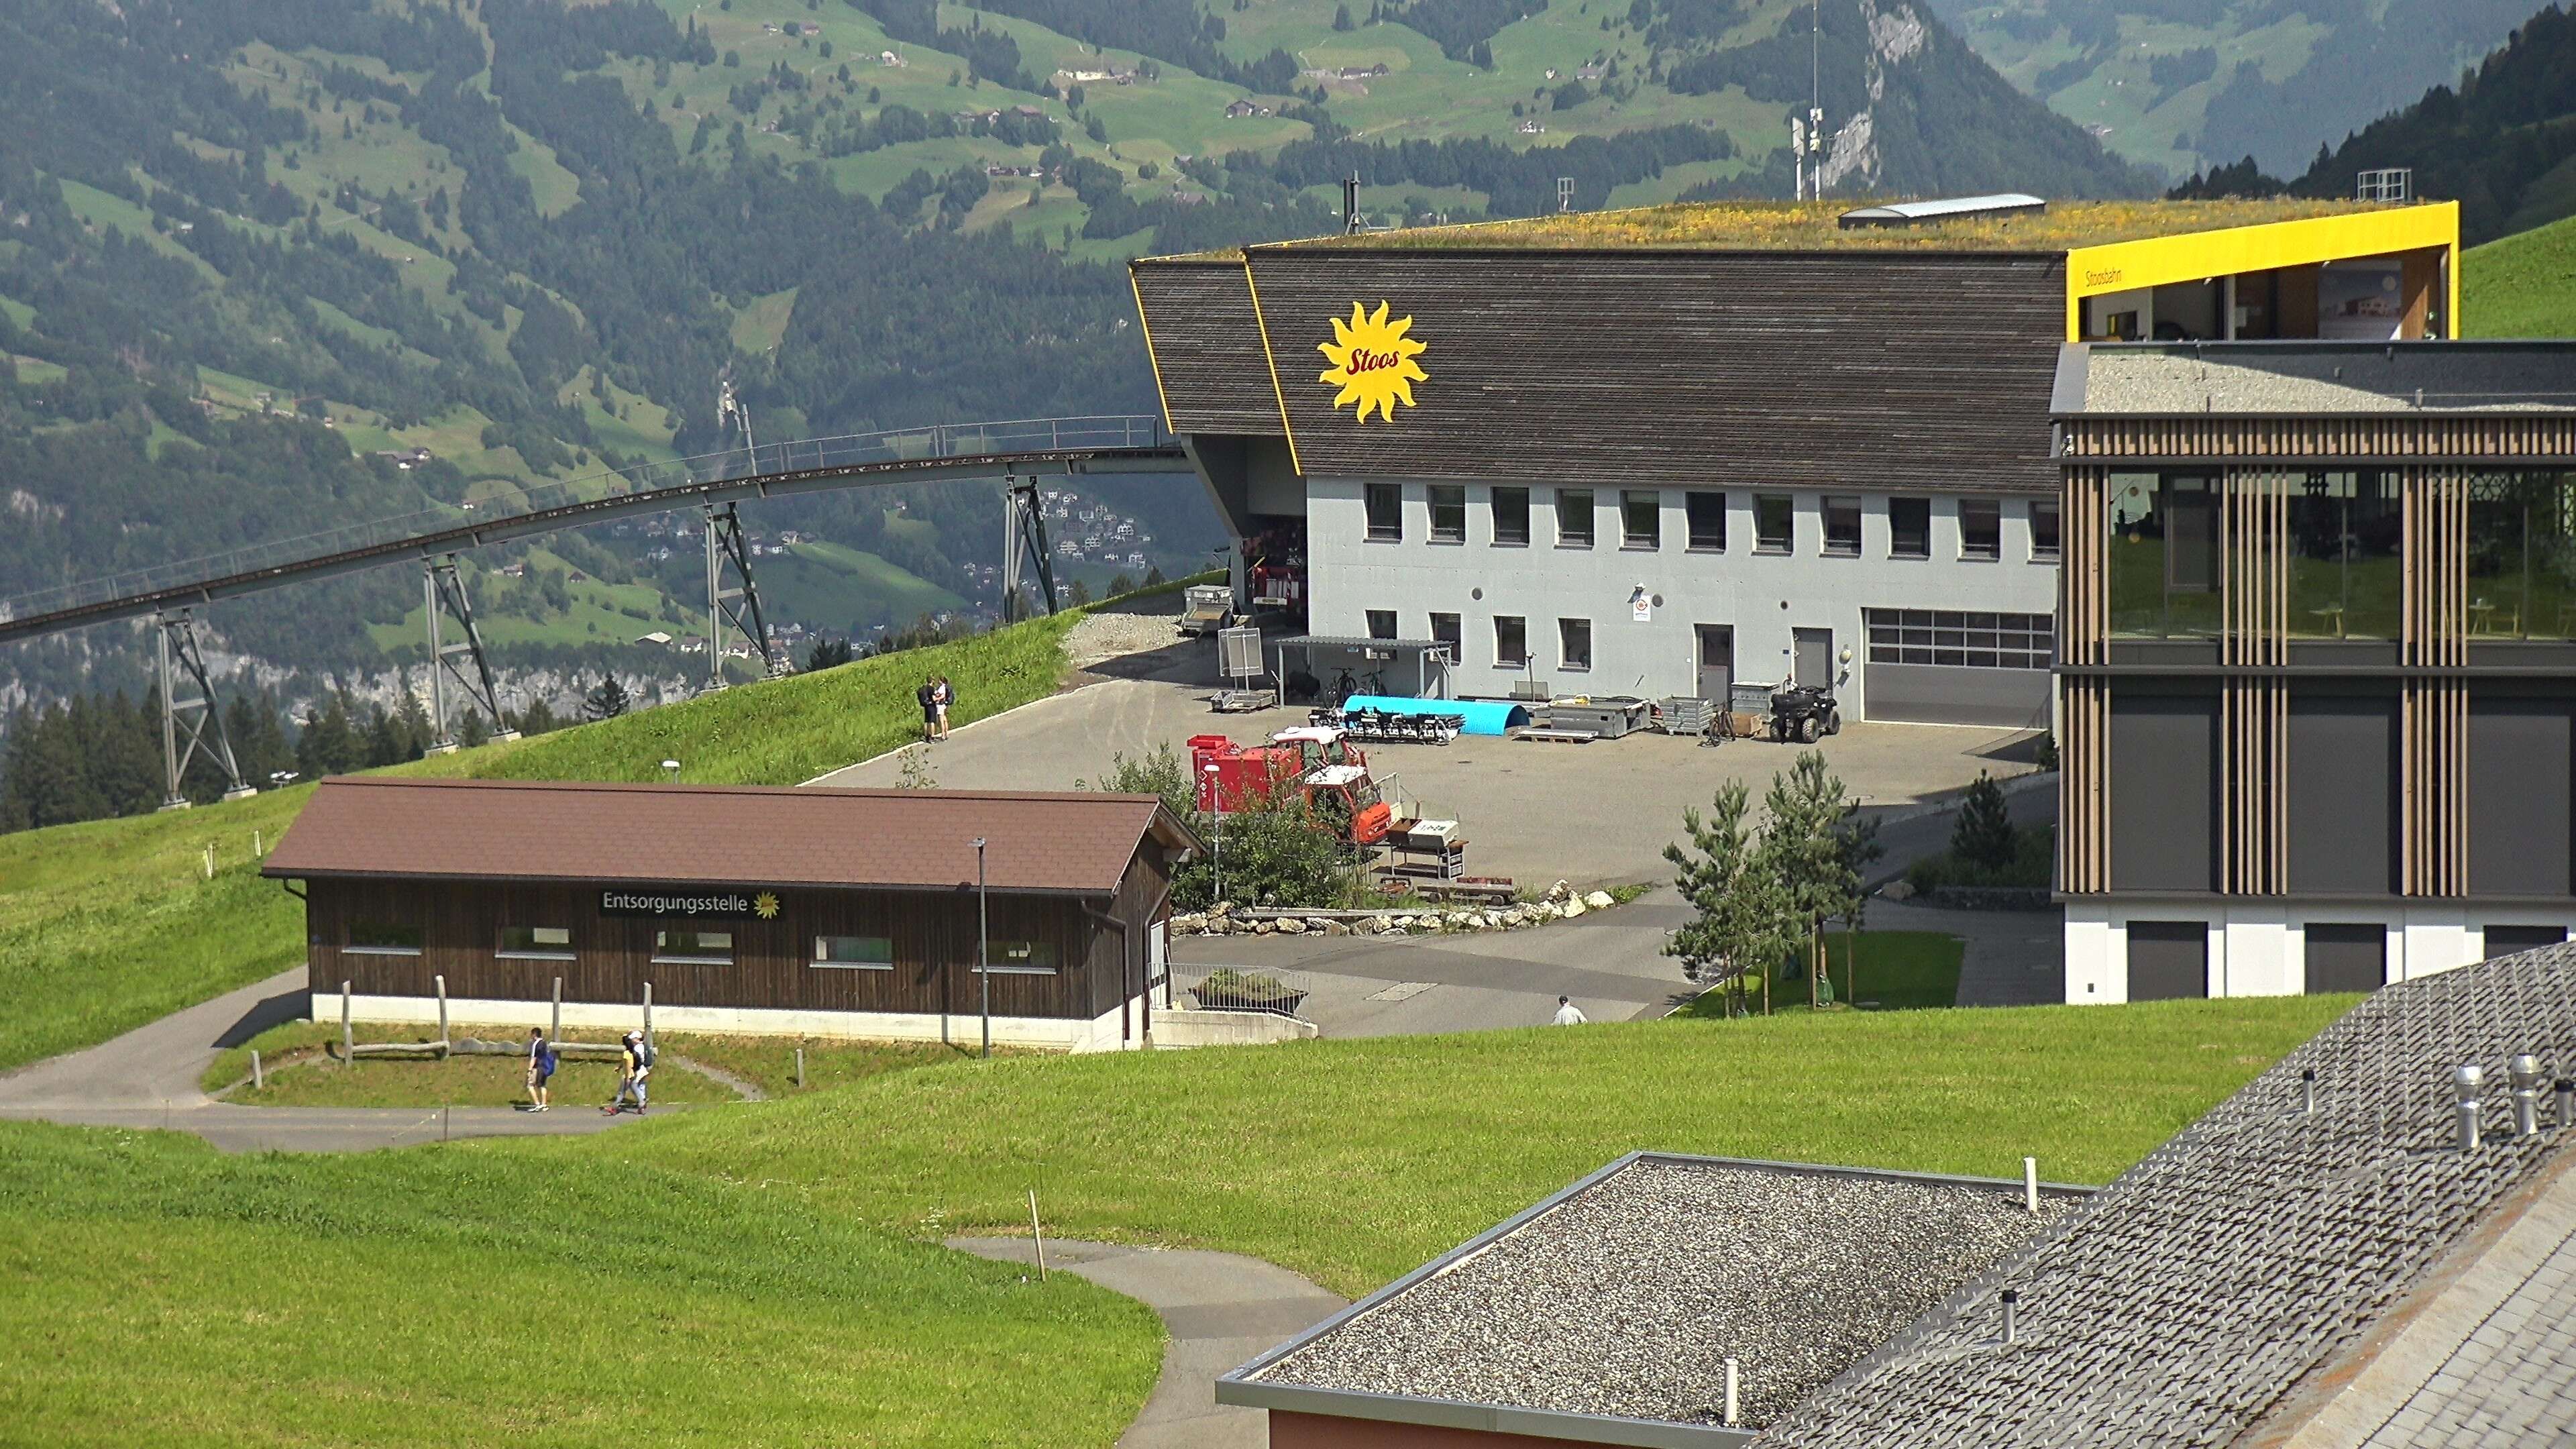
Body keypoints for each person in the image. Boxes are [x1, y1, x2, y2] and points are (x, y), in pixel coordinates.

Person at [524, 1027, 555, 1112]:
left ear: (534, 1035)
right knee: (542, 1086)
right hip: (545, 1067)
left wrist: (530, 1069)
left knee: (530, 1086)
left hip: (537, 1067)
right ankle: (544, 1104)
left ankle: (537, 1104)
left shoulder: (535, 1044)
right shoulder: (545, 1043)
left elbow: (533, 1058)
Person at [916, 678, 938, 743]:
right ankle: (932, 737)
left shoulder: (925, 688)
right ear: (932, 681)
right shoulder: (931, 688)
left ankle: (926, 736)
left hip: (926, 706)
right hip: (932, 706)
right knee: (932, 722)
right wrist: (939, 698)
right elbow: (934, 699)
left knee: (926, 721)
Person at [932, 676, 953, 741]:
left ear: (941, 681)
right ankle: (947, 733)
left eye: (939, 680)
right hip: (944, 705)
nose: (938, 681)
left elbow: (943, 696)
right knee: (944, 719)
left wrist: (936, 699)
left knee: (941, 720)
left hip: (940, 705)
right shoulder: (945, 687)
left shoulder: (942, 688)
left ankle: (943, 734)